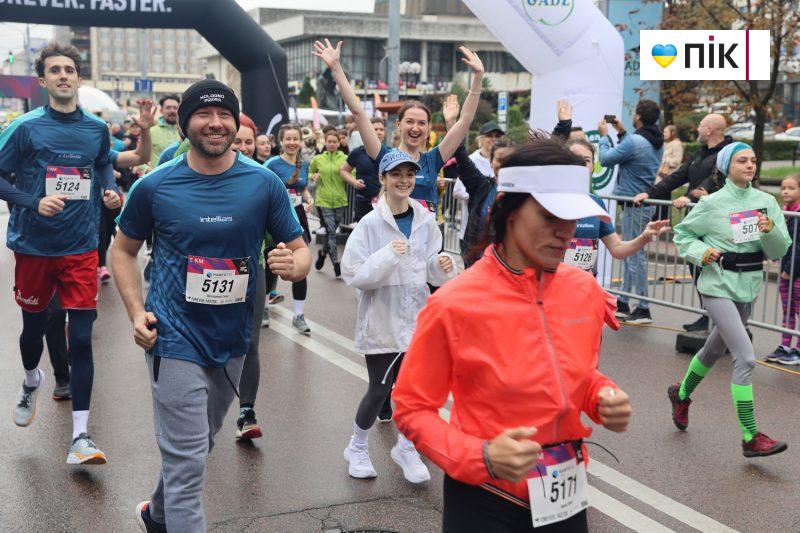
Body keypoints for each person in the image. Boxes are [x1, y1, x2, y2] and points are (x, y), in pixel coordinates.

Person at [392, 140, 632, 532]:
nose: (566, 232)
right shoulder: (455, 303)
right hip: (486, 496)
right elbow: (411, 407)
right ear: (509, 211)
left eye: (573, 218)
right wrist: (481, 455)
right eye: (550, 216)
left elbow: (577, 373)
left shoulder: (584, 291)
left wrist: (600, 394)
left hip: (564, 490)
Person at [111, 79, 310, 531]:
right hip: (172, 336)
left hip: (233, 339)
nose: (216, 123)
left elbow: (299, 249)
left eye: (224, 115)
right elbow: (121, 251)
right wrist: (135, 312)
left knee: (198, 445)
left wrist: (295, 266)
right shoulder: (156, 185)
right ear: (186, 123)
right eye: (204, 114)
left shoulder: (264, 183)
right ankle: (172, 514)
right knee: (186, 466)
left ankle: (156, 515)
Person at [0, 42, 122, 465]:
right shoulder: (25, 127)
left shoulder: (95, 129)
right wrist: (33, 202)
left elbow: (104, 163)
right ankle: (32, 378)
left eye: (70, 69)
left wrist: (112, 189)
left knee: (83, 337)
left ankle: (81, 436)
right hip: (34, 246)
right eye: (55, 70)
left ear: (79, 78)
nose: (64, 76)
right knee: (33, 330)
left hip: (81, 246)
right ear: (43, 80)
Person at [340, 149, 456, 483]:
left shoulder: (424, 220)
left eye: (409, 175)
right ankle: (357, 447)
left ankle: (406, 446)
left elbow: (430, 268)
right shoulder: (370, 224)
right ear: (383, 179)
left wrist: (441, 265)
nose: (404, 181)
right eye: (396, 175)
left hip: (417, 320)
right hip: (382, 321)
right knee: (379, 390)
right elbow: (356, 275)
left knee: (415, 392)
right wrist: (389, 255)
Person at [669, 142, 790, 458]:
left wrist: (770, 230)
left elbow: (779, 250)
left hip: (748, 287)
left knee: (713, 349)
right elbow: (682, 236)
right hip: (717, 285)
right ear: (726, 167)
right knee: (746, 357)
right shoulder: (712, 204)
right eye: (742, 161)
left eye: (753, 160)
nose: (750, 165)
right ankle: (750, 436)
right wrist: (702, 252)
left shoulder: (765, 202)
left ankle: (681, 395)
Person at [313, 38, 484, 216]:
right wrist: (336, 68)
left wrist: (478, 78)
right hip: (391, 239)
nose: (415, 128)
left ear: (428, 128)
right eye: (410, 121)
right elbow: (358, 113)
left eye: (422, 123)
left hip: (426, 240)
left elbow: (464, 121)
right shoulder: (384, 156)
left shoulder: (433, 159)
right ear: (398, 124)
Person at [633, 113, 733, 332]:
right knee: (697, 268)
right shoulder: (700, 153)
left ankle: (724, 320)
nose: (697, 129)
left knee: (716, 272)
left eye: (700, 125)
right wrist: (648, 193)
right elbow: (677, 177)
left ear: (709, 130)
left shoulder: (729, 153)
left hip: (717, 223)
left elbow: (717, 178)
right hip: (697, 222)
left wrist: (691, 198)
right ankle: (708, 315)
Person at [598, 99, 664, 324]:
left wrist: (605, 136)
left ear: (638, 117)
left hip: (634, 203)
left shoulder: (635, 141)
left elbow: (606, 160)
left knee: (635, 256)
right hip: (643, 202)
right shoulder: (655, 140)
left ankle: (643, 307)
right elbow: (634, 150)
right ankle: (625, 301)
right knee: (629, 254)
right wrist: (623, 132)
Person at [565, 138, 669, 273]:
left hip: (584, 286)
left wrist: (643, 238)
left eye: (586, 160)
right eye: (574, 159)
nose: (581, 165)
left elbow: (617, 249)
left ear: (592, 167)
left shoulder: (596, 203)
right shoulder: (550, 202)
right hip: (554, 286)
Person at [98, 100, 156, 285]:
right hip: (56, 233)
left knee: (104, 235)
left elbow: (140, 156)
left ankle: (101, 265)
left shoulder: (105, 153)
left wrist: (145, 130)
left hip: (100, 212)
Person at [264, 124, 314, 335]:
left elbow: (302, 189)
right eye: (288, 139)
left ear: (301, 141)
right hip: (276, 218)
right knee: (270, 263)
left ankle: (299, 315)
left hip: (298, 216)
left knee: (300, 265)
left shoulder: (304, 164)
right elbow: (263, 187)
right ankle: (264, 308)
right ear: (281, 141)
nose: (292, 142)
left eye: (296, 138)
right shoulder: (272, 163)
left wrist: (309, 199)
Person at [764, 174, 800, 365]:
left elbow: (799, 246)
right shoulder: (783, 212)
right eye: (783, 187)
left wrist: (790, 269)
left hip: (795, 271)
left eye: (791, 188)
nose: (785, 191)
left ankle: (798, 350)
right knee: (787, 311)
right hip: (787, 270)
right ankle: (785, 346)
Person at [311, 129, 348, 276]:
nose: (332, 144)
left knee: (330, 234)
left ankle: (322, 253)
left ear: (339, 143)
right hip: (323, 200)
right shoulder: (318, 159)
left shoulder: (345, 158)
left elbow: (352, 174)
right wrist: (313, 175)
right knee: (331, 232)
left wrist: (349, 174)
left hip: (340, 201)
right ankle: (336, 264)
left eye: (334, 141)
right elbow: (309, 172)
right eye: (329, 141)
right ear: (325, 143)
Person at [340, 117, 389, 222]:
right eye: (375, 129)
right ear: (368, 131)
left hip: (385, 202)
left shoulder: (389, 153)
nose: (379, 132)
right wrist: (354, 182)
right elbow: (344, 171)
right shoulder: (358, 152)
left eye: (381, 129)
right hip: (363, 202)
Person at [148, 94, 181, 170]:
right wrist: (146, 169)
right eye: (168, 108)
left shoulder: (186, 132)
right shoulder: (151, 131)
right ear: (161, 110)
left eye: (175, 108)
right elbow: (141, 155)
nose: (172, 110)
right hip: (158, 177)